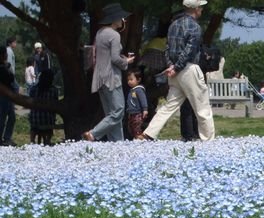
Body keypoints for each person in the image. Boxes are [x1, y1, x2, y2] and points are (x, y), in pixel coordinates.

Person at [139, 0, 215, 141]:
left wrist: (171, 66)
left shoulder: (173, 24)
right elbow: (189, 51)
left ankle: (148, 133)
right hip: (189, 69)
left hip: (174, 71)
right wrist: (178, 66)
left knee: (169, 106)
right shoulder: (195, 27)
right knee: (202, 106)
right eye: (201, 7)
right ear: (196, 8)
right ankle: (208, 139)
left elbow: (167, 47)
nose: (202, 10)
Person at [82, 3, 135, 142]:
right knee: (118, 111)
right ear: (115, 19)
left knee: (110, 114)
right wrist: (127, 62)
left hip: (99, 78)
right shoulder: (114, 35)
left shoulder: (100, 33)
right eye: (121, 17)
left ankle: (116, 144)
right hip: (111, 78)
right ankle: (93, 133)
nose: (123, 19)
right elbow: (115, 58)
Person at [28, 70, 58, 145]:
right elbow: (55, 104)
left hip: (35, 120)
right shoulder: (54, 90)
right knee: (50, 117)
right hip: (48, 120)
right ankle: (47, 140)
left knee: (33, 122)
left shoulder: (34, 89)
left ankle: (32, 140)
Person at [0, 46, 16, 146]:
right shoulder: (2, 68)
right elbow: (10, 78)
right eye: (5, 53)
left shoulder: (4, 66)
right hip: (3, 96)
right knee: (2, 118)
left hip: (8, 96)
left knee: (12, 117)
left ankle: (7, 137)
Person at [125, 69, 148, 139]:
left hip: (138, 113)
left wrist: (145, 109)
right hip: (131, 113)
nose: (129, 82)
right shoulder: (132, 90)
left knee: (137, 127)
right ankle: (136, 138)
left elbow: (143, 100)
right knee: (131, 127)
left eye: (131, 79)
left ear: (138, 80)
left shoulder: (139, 90)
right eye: (128, 80)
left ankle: (140, 139)